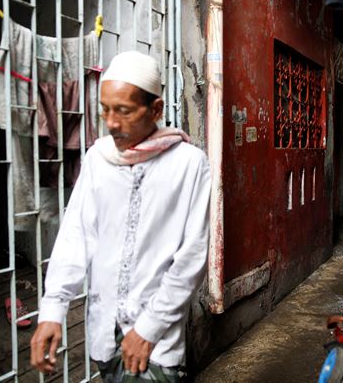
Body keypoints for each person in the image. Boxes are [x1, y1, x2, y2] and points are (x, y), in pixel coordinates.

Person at [30, 51, 210, 382]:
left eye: (123, 111)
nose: (111, 122)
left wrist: (149, 328)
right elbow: (77, 235)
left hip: (155, 340)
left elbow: (192, 256)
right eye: (105, 110)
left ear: (155, 109)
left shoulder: (190, 164)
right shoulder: (98, 158)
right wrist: (53, 310)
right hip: (102, 334)